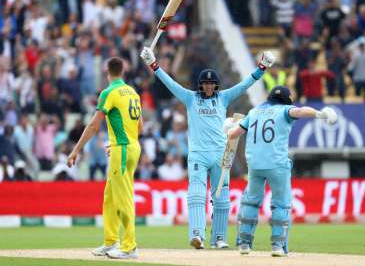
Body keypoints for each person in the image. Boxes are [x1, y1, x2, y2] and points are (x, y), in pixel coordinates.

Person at [140, 46, 275, 249]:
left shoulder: (223, 98)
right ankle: (197, 235)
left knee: (221, 199)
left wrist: (262, 68)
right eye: (206, 84)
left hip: (221, 155)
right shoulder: (190, 98)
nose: (209, 87)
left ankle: (219, 238)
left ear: (216, 85)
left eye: (212, 84)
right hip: (198, 155)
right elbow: (170, 84)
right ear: (200, 85)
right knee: (196, 194)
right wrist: (153, 65)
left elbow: (244, 84)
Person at [226, 86, 337, 257]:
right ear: (286, 101)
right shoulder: (285, 110)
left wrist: (226, 127)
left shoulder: (254, 112)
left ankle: (244, 243)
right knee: (281, 204)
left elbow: (234, 134)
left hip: (255, 165)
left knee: (250, 202)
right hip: (277, 164)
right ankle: (278, 245)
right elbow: (300, 111)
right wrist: (320, 114)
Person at [67, 57, 142, 259]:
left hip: (123, 150)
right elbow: (140, 127)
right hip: (130, 146)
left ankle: (129, 246)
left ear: (106, 72)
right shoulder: (133, 92)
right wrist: (118, 142)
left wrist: (76, 150)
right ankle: (111, 241)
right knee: (110, 197)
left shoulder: (108, 92)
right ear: (123, 71)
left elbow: (93, 125)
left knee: (123, 197)